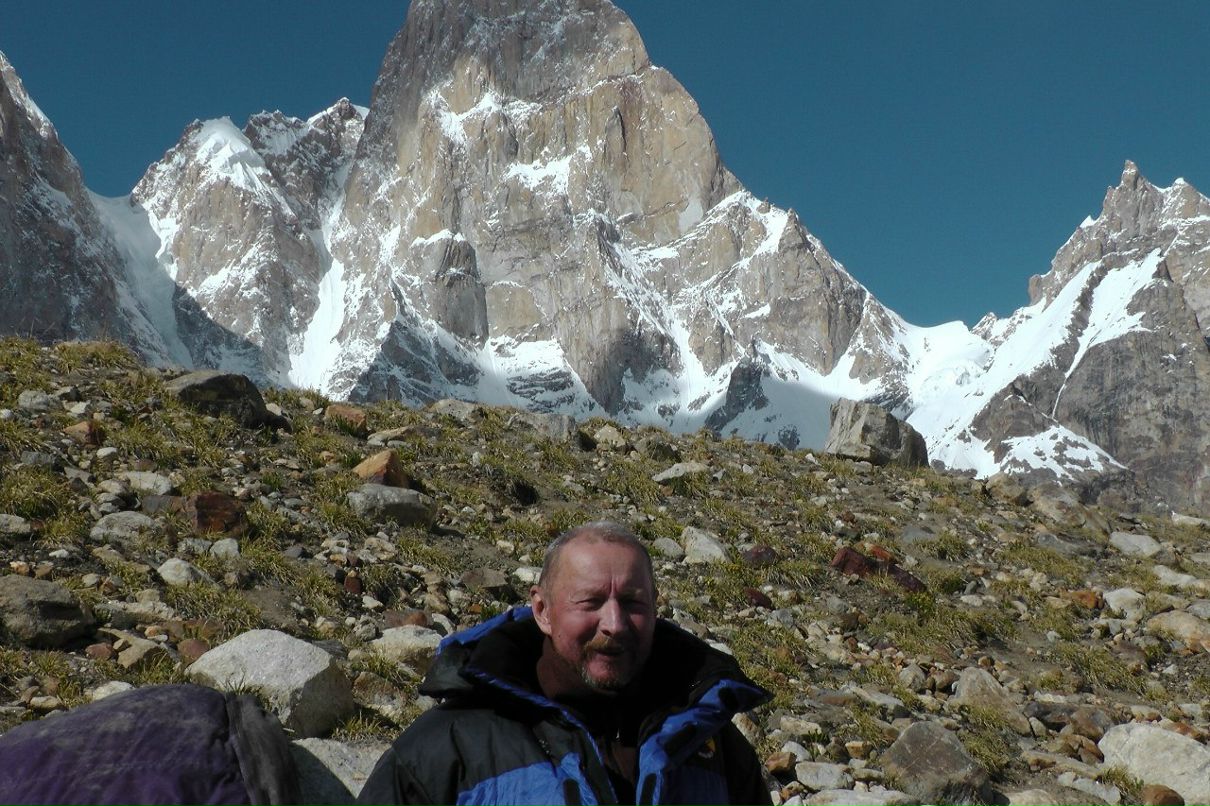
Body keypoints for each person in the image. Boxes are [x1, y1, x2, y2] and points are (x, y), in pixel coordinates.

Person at [357, 521, 772, 806]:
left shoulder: (711, 747)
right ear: (542, 610)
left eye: (633, 603)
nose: (614, 624)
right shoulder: (446, 748)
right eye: (590, 602)